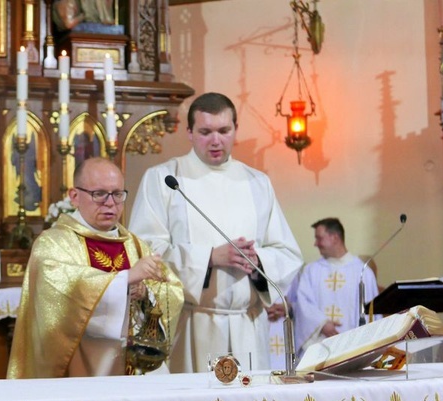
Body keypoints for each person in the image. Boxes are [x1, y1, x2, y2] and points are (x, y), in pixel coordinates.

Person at [129, 92, 303, 372]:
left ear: (235, 130)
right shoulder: (164, 179)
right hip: (191, 325)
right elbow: (145, 251)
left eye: (224, 130)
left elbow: (288, 253)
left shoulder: (258, 183)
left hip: (249, 326)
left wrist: (258, 262)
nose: (216, 140)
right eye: (205, 131)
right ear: (189, 132)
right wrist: (209, 258)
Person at [7, 157, 184, 378]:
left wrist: (145, 293)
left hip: (135, 365)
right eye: (99, 194)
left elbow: (172, 289)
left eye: (118, 194)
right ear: (74, 196)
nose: (110, 203)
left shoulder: (135, 245)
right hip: (81, 368)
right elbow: (63, 294)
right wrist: (126, 279)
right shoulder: (53, 243)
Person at [292, 217, 379, 356]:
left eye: (319, 238)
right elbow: (304, 304)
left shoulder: (362, 272)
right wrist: (321, 323)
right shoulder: (311, 270)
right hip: (318, 347)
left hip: (353, 348)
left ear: (335, 237)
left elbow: (373, 312)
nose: (315, 243)